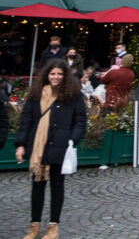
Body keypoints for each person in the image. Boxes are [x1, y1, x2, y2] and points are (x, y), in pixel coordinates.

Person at [14, 59, 87, 239]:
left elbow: (80, 120)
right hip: (37, 147)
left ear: (65, 76)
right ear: (47, 74)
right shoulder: (36, 94)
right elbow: (26, 121)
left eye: (60, 74)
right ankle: (34, 226)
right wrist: (21, 144)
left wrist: (72, 139)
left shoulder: (73, 95)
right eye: (53, 73)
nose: (56, 77)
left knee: (57, 186)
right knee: (37, 187)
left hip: (60, 147)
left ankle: (53, 227)